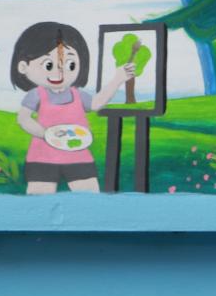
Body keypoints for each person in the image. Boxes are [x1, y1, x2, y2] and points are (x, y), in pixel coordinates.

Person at [11, 22, 133, 194]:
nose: (60, 72)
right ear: (23, 67)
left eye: (70, 65)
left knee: (89, 198)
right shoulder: (36, 94)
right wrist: (44, 134)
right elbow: (23, 118)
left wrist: (118, 79)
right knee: (39, 201)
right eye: (48, 65)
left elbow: (97, 103)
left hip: (79, 156)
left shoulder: (78, 95)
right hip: (43, 158)